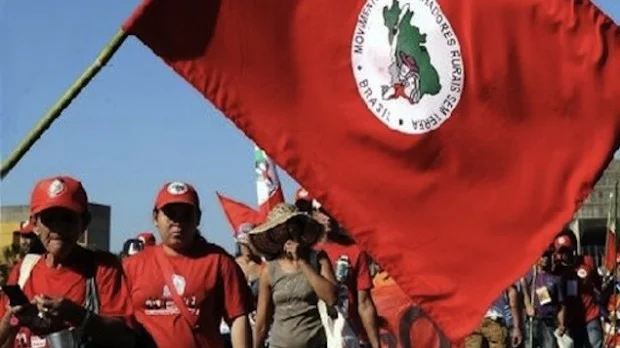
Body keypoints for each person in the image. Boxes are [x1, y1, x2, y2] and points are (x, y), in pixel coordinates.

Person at [0, 176, 136, 348]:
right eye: (49, 219)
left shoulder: (102, 268)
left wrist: (77, 315)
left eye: (68, 218)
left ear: (84, 223)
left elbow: (125, 337)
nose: (58, 228)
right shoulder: (24, 270)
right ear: (35, 224)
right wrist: (13, 318)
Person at [123, 181, 253, 347]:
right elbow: (119, 323)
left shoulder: (219, 261)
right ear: (155, 217)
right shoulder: (132, 266)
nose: (177, 222)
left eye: (185, 214)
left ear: (198, 218)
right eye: (171, 213)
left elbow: (238, 318)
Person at [295, 188, 381, 348]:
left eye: (330, 209)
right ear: (311, 214)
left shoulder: (355, 250)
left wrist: (376, 345)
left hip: (351, 338)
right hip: (315, 338)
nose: (327, 217)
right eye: (321, 211)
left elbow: (365, 303)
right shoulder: (301, 253)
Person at [250, 203, 338, 348]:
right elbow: (262, 323)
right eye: (280, 229)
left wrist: (302, 262)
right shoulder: (269, 270)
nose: (286, 233)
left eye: (290, 226)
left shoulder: (318, 259)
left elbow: (331, 297)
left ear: (300, 228)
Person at [552, 231, 603, 348]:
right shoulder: (558, 272)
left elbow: (597, 282)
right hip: (573, 322)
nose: (565, 254)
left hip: (591, 316)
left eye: (567, 250)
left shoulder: (588, 261)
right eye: (561, 252)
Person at [521, 248, 567, 348]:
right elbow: (523, 293)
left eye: (547, 256)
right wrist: (528, 305)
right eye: (542, 256)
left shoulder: (556, 279)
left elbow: (561, 305)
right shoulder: (530, 276)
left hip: (548, 322)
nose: (545, 259)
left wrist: (562, 324)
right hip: (533, 321)